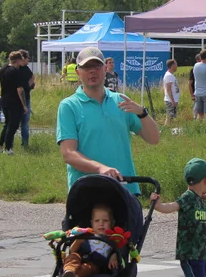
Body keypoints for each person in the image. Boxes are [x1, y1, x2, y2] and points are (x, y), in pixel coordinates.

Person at [56, 46, 160, 195]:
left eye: (97, 66)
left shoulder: (121, 101)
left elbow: (154, 139)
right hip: (87, 190)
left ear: (105, 69)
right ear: (78, 72)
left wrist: (142, 113)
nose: (92, 71)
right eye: (87, 67)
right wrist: (100, 168)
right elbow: (68, 153)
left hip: (124, 188)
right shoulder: (69, 106)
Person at [49, 203, 120, 277]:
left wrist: (114, 256)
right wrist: (78, 241)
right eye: (97, 221)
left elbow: (120, 249)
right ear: (91, 223)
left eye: (105, 221)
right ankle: (68, 273)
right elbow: (72, 251)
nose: (101, 224)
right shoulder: (87, 234)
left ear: (112, 223)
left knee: (87, 267)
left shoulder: (113, 238)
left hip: (97, 265)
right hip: (80, 258)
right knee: (72, 257)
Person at [0, 51, 28, 155]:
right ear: (18, 60)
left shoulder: (2, 70)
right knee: (13, 125)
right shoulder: (15, 72)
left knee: (7, 123)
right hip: (14, 101)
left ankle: (0, 145)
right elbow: (20, 90)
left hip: (4, 100)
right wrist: (24, 105)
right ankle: (8, 148)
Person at [18, 50, 35, 148]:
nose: (29, 60)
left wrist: (28, 86)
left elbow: (32, 76)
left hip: (26, 98)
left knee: (25, 123)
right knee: (13, 123)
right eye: (27, 58)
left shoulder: (26, 69)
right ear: (23, 58)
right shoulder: (15, 68)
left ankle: (25, 144)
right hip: (15, 99)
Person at [162, 59, 180, 125]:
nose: (177, 66)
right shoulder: (168, 76)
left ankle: (169, 128)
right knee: (169, 116)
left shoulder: (170, 75)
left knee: (171, 116)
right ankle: (166, 128)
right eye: (176, 65)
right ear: (172, 66)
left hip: (172, 100)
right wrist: (172, 101)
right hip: (170, 100)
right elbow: (168, 89)